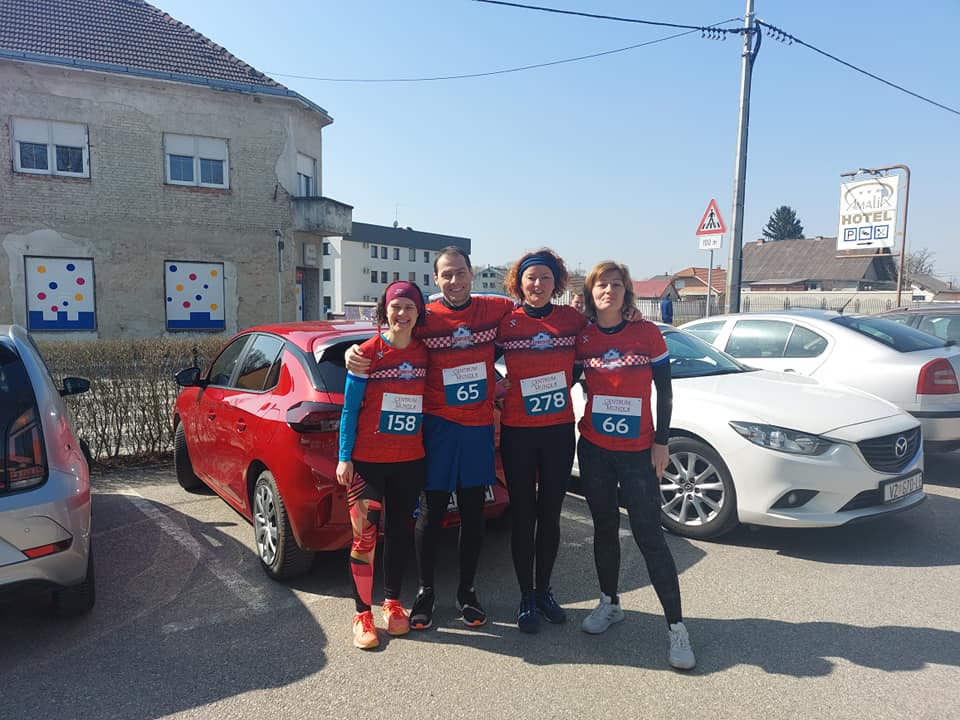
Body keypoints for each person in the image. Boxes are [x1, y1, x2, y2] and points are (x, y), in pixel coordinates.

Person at [346, 247, 515, 630]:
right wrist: (353, 354)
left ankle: (467, 592)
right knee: (431, 512)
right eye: (446, 275)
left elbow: (534, 317)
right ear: (436, 279)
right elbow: (392, 336)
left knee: (473, 512)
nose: (455, 281)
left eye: (461, 273)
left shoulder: (494, 308)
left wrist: (627, 314)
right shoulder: (425, 317)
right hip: (436, 428)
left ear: (471, 274)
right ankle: (425, 592)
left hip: (477, 429)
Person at [576, 260, 696, 670]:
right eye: (601, 285)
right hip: (594, 449)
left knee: (649, 535)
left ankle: (676, 626)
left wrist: (662, 442)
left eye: (616, 284)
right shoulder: (583, 336)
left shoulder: (646, 333)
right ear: (591, 293)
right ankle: (610, 602)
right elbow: (562, 376)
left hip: (637, 453)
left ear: (626, 292)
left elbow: (665, 391)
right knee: (605, 528)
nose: (608, 291)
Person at [497, 249, 587, 633]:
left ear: (556, 283)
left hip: (557, 431)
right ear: (519, 282)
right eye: (530, 278)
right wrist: (495, 385)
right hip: (518, 431)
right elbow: (472, 355)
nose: (537, 284)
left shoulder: (571, 320)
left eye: (545, 278)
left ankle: (544, 590)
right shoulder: (506, 321)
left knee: (550, 515)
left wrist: (631, 312)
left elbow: (598, 341)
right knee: (523, 516)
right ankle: (525, 596)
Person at [336, 281, 428, 650]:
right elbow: (349, 409)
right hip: (368, 463)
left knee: (400, 533)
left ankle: (392, 602)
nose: (402, 314)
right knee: (364, 537)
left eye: (409, 307)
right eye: (396, 306)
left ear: (419, 313)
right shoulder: (365, 353)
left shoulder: (425, 353)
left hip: (410, 461)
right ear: (384, 310)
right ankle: (362, 613)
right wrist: (344, 457)